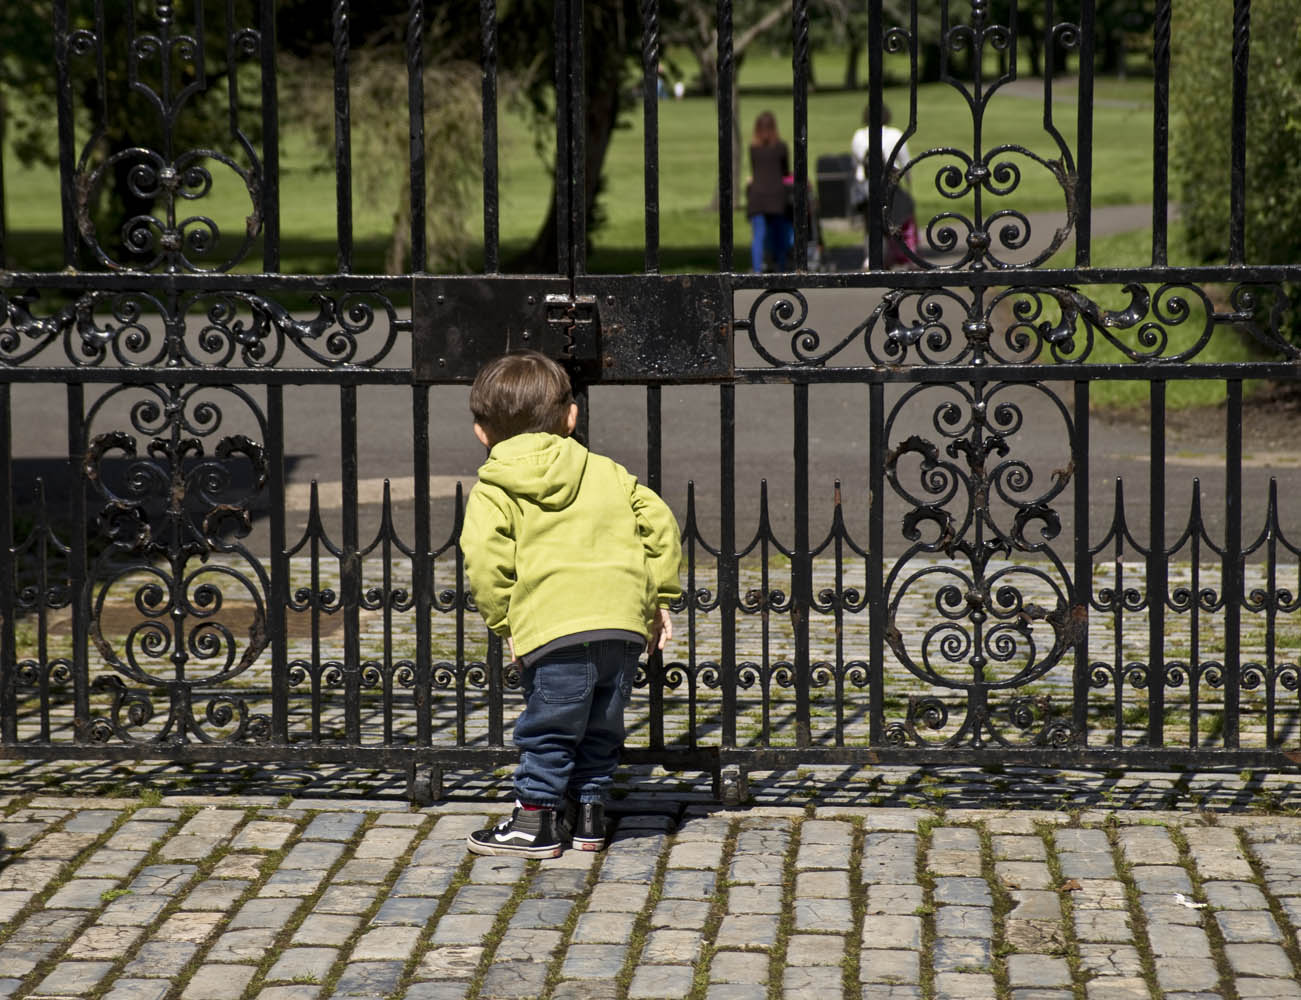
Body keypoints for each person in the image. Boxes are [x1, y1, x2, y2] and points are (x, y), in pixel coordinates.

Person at [460, 351, 683, 858]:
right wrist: (658, 597)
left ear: (481, 431)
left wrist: (505, 622)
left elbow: (485, 562)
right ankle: (589, 814)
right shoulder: (608, 472)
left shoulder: (493, 489)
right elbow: (661, 527)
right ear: (572, 416)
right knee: (602, 724)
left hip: (555, 629)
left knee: (549, 727)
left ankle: (535, 820)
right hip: (622, 626)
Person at [851, 103, 918, 268]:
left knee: (871, 225)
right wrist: (908, 182)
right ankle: (908, 254)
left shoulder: (858, 136)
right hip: (890, 185)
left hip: (866, 188)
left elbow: (856, 165)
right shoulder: (895, 134)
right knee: (899, 219)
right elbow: (905, 163)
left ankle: (870, 259)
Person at [746, 110, 794, 272]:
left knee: (758, 236)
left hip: (757, 195)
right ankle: (781, 267)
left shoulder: (753, 148)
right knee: (779, 235)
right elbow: (785, 172)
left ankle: (757, 269)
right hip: (776, 195)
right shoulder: (781, 147)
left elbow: (754, 170)